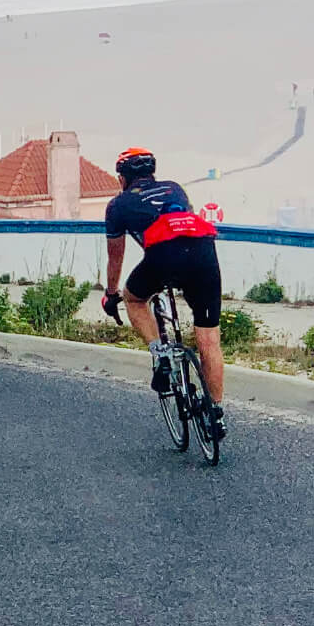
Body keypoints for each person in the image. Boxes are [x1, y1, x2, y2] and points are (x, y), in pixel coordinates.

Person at [98, 146, 226, 438]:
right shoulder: (175, 189)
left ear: (122, 178)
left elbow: (115, 257)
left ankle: (161, 355)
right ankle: (216, 415)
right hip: (204, 253)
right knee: (209, 340)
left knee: (135, 298)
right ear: (152, 172)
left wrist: (111, 293)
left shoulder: (118, 205)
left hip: (163, 258)